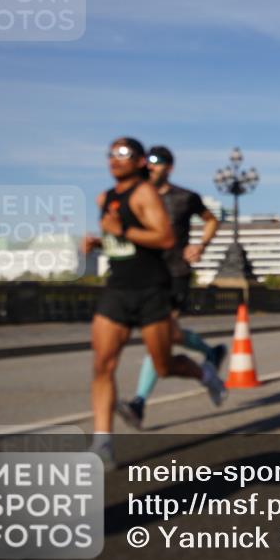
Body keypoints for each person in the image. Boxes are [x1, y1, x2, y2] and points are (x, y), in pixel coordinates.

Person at [82, 137, 225, 468]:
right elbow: (118, 240)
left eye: (124, 154)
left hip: (153, 288)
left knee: (163, 364)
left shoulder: (149, 195)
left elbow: (165, 238)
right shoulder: (105, 197)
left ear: (140, 161)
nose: (115, 160)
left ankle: (206, 374)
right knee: (102, 365)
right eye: (111, 154)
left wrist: (198, 246)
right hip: (117, 288)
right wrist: (98, 241)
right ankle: (103, 443)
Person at [116, 146, 227, 430]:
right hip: (145, 276)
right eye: (147, 163)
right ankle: (210, 354)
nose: (151, 167)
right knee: (169, 335)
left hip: (175, 274)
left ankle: (139, 404)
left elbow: (212, 220)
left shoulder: (185, 197)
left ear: (169, 167)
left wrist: (200, 245)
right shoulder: (136, 198)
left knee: (160, 338)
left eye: (157, 163)